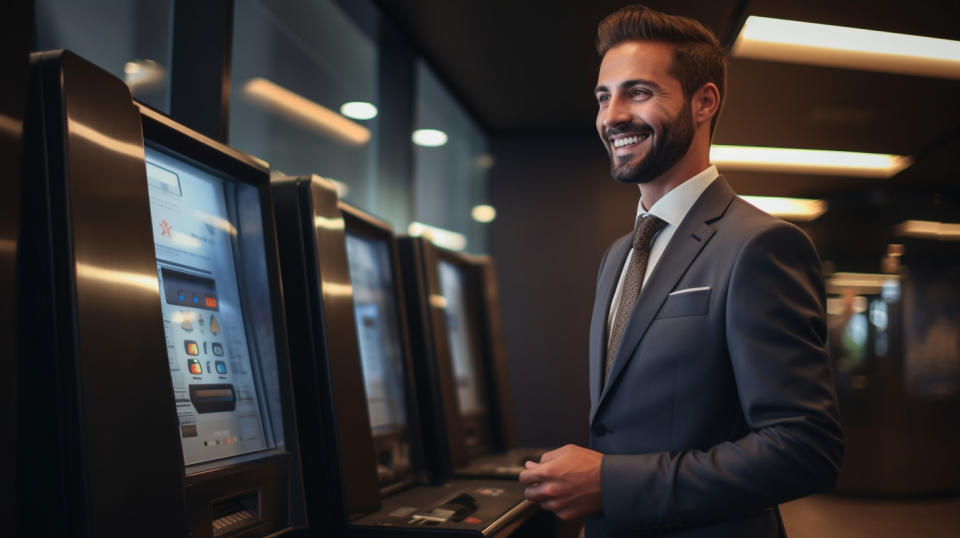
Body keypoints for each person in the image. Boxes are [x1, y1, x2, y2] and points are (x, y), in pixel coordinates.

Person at [518, 5, 844, 537]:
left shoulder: (762, 246)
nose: (612, 116)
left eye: (639, 92)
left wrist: (612, 483)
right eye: (604, 96)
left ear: (704, 102)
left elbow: (806, 447)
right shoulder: (620, 255)